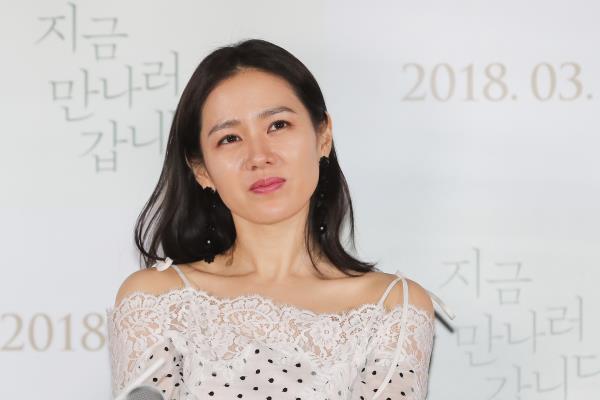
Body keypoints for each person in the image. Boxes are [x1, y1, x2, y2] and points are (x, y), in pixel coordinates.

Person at [105, 38, 455, 400]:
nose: (259, 156)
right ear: (201, 170)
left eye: (278, 125)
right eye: (229, 138)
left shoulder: (393, 307)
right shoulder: (155, 301)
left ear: (323, 136)